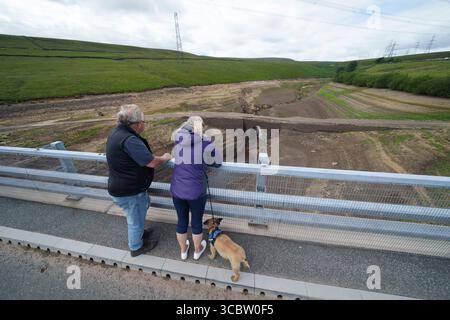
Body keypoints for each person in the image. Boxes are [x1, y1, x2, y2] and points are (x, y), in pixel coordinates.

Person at [106, 104, 171, 257]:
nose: (144, 124)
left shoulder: (116, 133)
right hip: (130, 190)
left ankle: (140, 233)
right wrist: (165, 157)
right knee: (135, 219)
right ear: (136, 124)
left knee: (137, 214)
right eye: (143, 121)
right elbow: (152, 162)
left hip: (122, 186)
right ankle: (136, 247)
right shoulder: (129, 140)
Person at [170, 116, 221, 261]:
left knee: (181, 220)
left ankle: (183, 251)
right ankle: (197, 251)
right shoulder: (204, 143)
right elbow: (218, 162)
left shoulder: (178, 141)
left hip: (177, 190)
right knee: (196, 222)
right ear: (200, 128)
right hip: (196, 192)